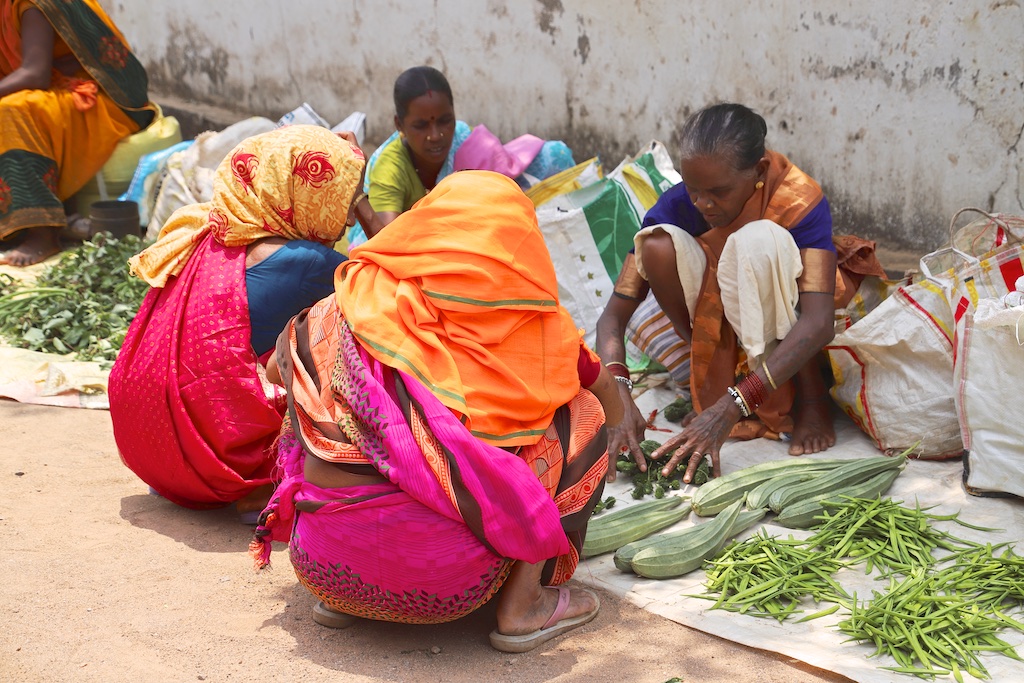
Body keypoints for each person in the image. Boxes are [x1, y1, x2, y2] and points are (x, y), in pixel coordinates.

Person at [249, 171, 624, 653]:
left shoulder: (356, 298)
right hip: (449, 583)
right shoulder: (543, 330)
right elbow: (603, 389)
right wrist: (618, 423)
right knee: (584, 412)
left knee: (315, 384)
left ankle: (346, 596)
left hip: (323, 567)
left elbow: (278, 371)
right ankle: (522, 605)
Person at [596, 103, 885, 484]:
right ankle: (711, 373)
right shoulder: (681, 204)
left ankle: (810, 396)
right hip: (725, 318)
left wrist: (733, 405)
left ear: (759, 172)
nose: (703, 204)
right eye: (693, 189)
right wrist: (617, 393)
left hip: (797, 325)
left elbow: (817, 323)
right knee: (655, 245)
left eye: (718, 192)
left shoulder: (798, 199)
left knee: (758, 244)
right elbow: (612, 317)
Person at [109, 125, 379, 518]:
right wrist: (365, 203)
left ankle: (195, 469)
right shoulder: (306, 263)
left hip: (150, 445)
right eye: (339, 195)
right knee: (351, 347)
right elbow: (392, 274)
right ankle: (263, 484)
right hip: (215, 461)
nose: (345, 212)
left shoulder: (208, 235)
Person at [0, 0, 156, 266]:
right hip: (50, 86)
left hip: (97, 95)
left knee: (11, 112)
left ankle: (42, 232)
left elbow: (35, 73)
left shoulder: (33, 4)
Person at [357, 65, 574, 238]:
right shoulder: (389, 167)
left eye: (445, 121)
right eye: (421, 126)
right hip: (421, 239)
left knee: (555, 156)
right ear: (399, 125)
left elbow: (498, 189)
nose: (435, 135)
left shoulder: (464, 141)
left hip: (466, 226)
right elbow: (388, 239)